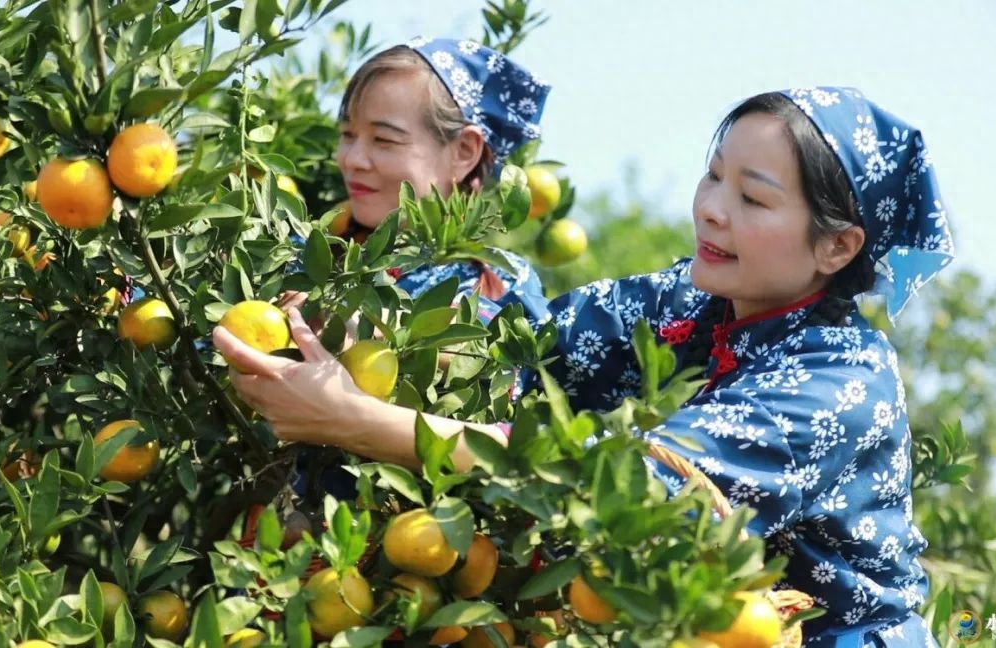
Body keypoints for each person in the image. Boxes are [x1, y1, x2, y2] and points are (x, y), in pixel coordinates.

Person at [215, 86, 954, 647]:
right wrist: (336, 321)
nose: (712, 210)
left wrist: (362, 422)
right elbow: (518, 348)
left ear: (837, 247)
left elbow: (622, 481)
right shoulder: (688, 302)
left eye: (753, 198)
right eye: (713, 177)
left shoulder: (840, 383)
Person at [287, 36, 552, 324]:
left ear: (464, 151)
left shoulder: (497, 287)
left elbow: (487, 348)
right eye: (348, 134)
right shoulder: (300, 254)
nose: (352, 160)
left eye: (384, 139)